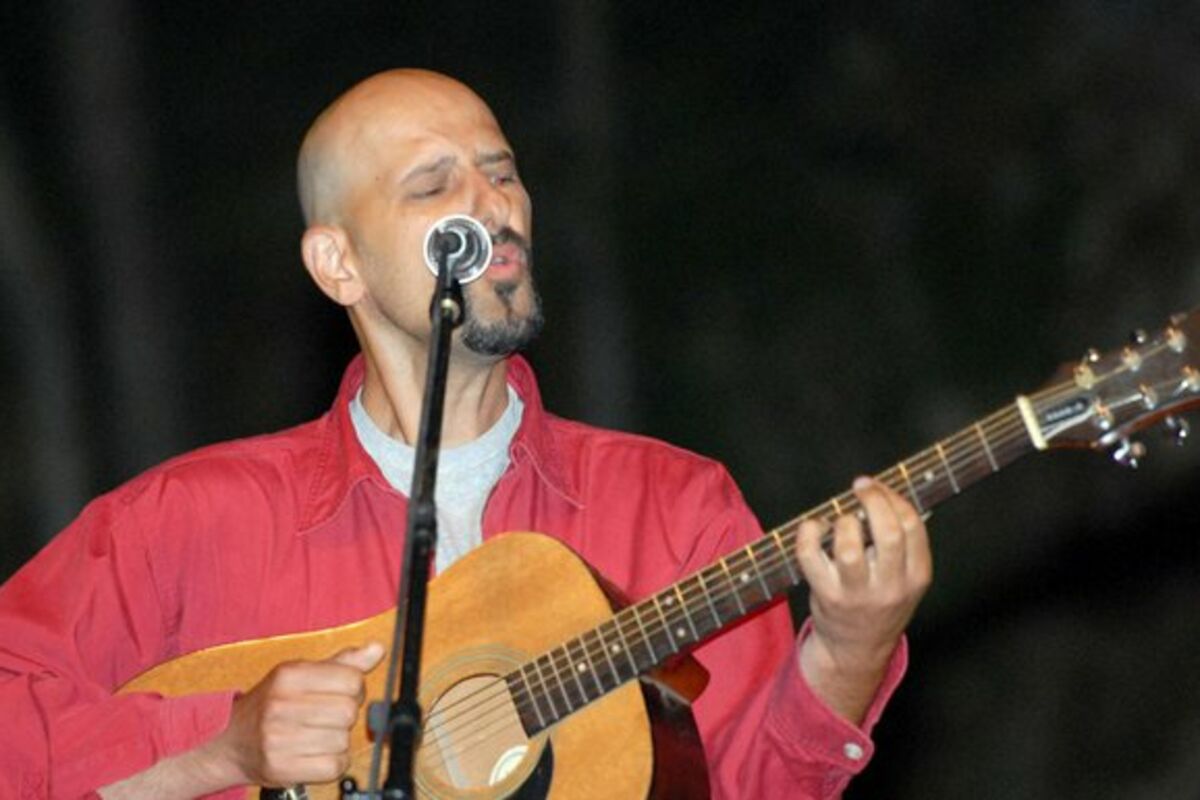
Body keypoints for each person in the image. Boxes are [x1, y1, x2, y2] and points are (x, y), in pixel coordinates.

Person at [0, 69, 932, 799]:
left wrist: (849, 651)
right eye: (433, 185)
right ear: (338, 264)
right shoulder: (190, 521)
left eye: (502, 172)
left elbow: (743, 788)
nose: (494, 207)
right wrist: (218, 745)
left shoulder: (675, 507)